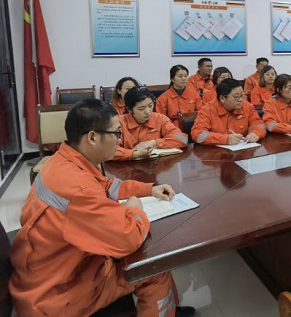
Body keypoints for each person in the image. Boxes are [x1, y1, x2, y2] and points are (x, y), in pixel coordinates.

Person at [9, 99, 193, 317]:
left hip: (52, 269)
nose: (120, 140)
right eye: (116, 133)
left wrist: (148, 189)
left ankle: (169, 309)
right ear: (93, 137)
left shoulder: (65, 161)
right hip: (58, 293)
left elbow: (107, 186)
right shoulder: (78, 188)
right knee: (152, 268)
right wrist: (135, 209)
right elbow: (128, 237)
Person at [113, 87, 188, 161]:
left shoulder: (160, 119)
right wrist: (134, 154)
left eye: (150, 106)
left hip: (156, 165)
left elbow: (183, 139)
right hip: (127, 166)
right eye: (141, 108)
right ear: (129, 109)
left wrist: (155, 143)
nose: (148, 111)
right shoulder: (118, 123)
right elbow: (109, 150)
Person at [191, 78, 266, 145]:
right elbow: (197, 134)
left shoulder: (247, 106)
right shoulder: (207, 110)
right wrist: (225, 139)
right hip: (216, 153)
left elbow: (258, 124)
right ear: (222, 98)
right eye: (236, 97)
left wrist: (255, 133)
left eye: (242, 95)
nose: (240, 100)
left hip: (242, 150)